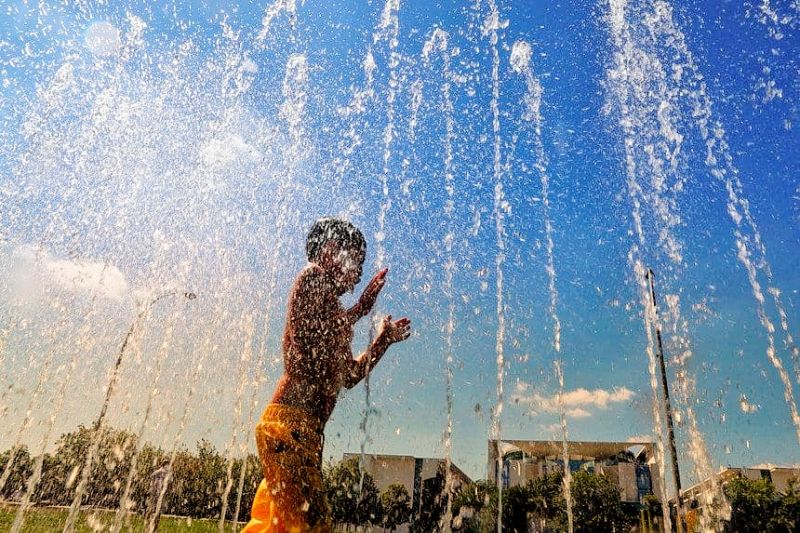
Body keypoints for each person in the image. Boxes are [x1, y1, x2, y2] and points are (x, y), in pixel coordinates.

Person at [243, 218, 411, 532]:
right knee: (312, 524)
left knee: (278, 525)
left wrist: (383, 340)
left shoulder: (333, 310)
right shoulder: (312, 276)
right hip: (288, 426)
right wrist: (360, 309)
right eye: (357, 261)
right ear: (332, 250)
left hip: (306, 431)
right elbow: (307, 339)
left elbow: (349, 375)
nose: (360, 273)